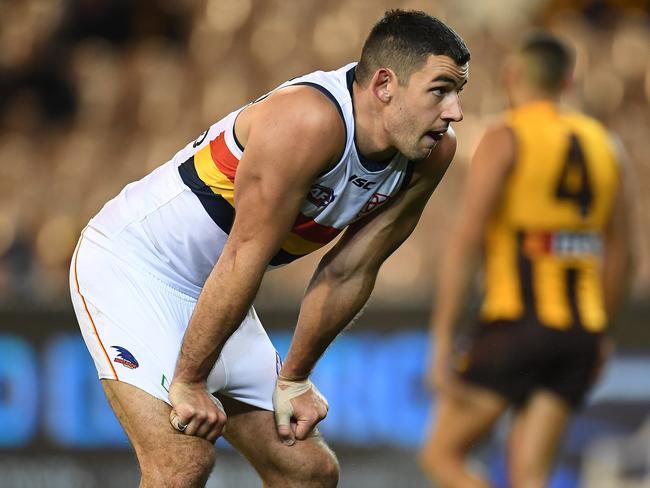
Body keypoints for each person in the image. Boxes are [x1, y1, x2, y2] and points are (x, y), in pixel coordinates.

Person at [69, 9, 470, 488]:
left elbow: (351, 270)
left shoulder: (432, 152)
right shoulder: (307, 121)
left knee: (309, 472)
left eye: (457, 93)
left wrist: (294, 379)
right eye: (440, 90)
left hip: (216, 287)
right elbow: (244, 254)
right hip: (134, 266)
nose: (455, 112)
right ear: (385, 84)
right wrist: (190, 380)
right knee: (181, 466)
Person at [419, 32, 634, 488]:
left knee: (442, 454)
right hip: (578, 333)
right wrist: (600, 333)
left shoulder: (506, 136)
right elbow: (624, 256)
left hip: (515, 328)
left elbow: (468, 240)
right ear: (568, 81)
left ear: (512, 77)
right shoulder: (606, 145)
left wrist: (441, 342)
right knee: (530, 475)